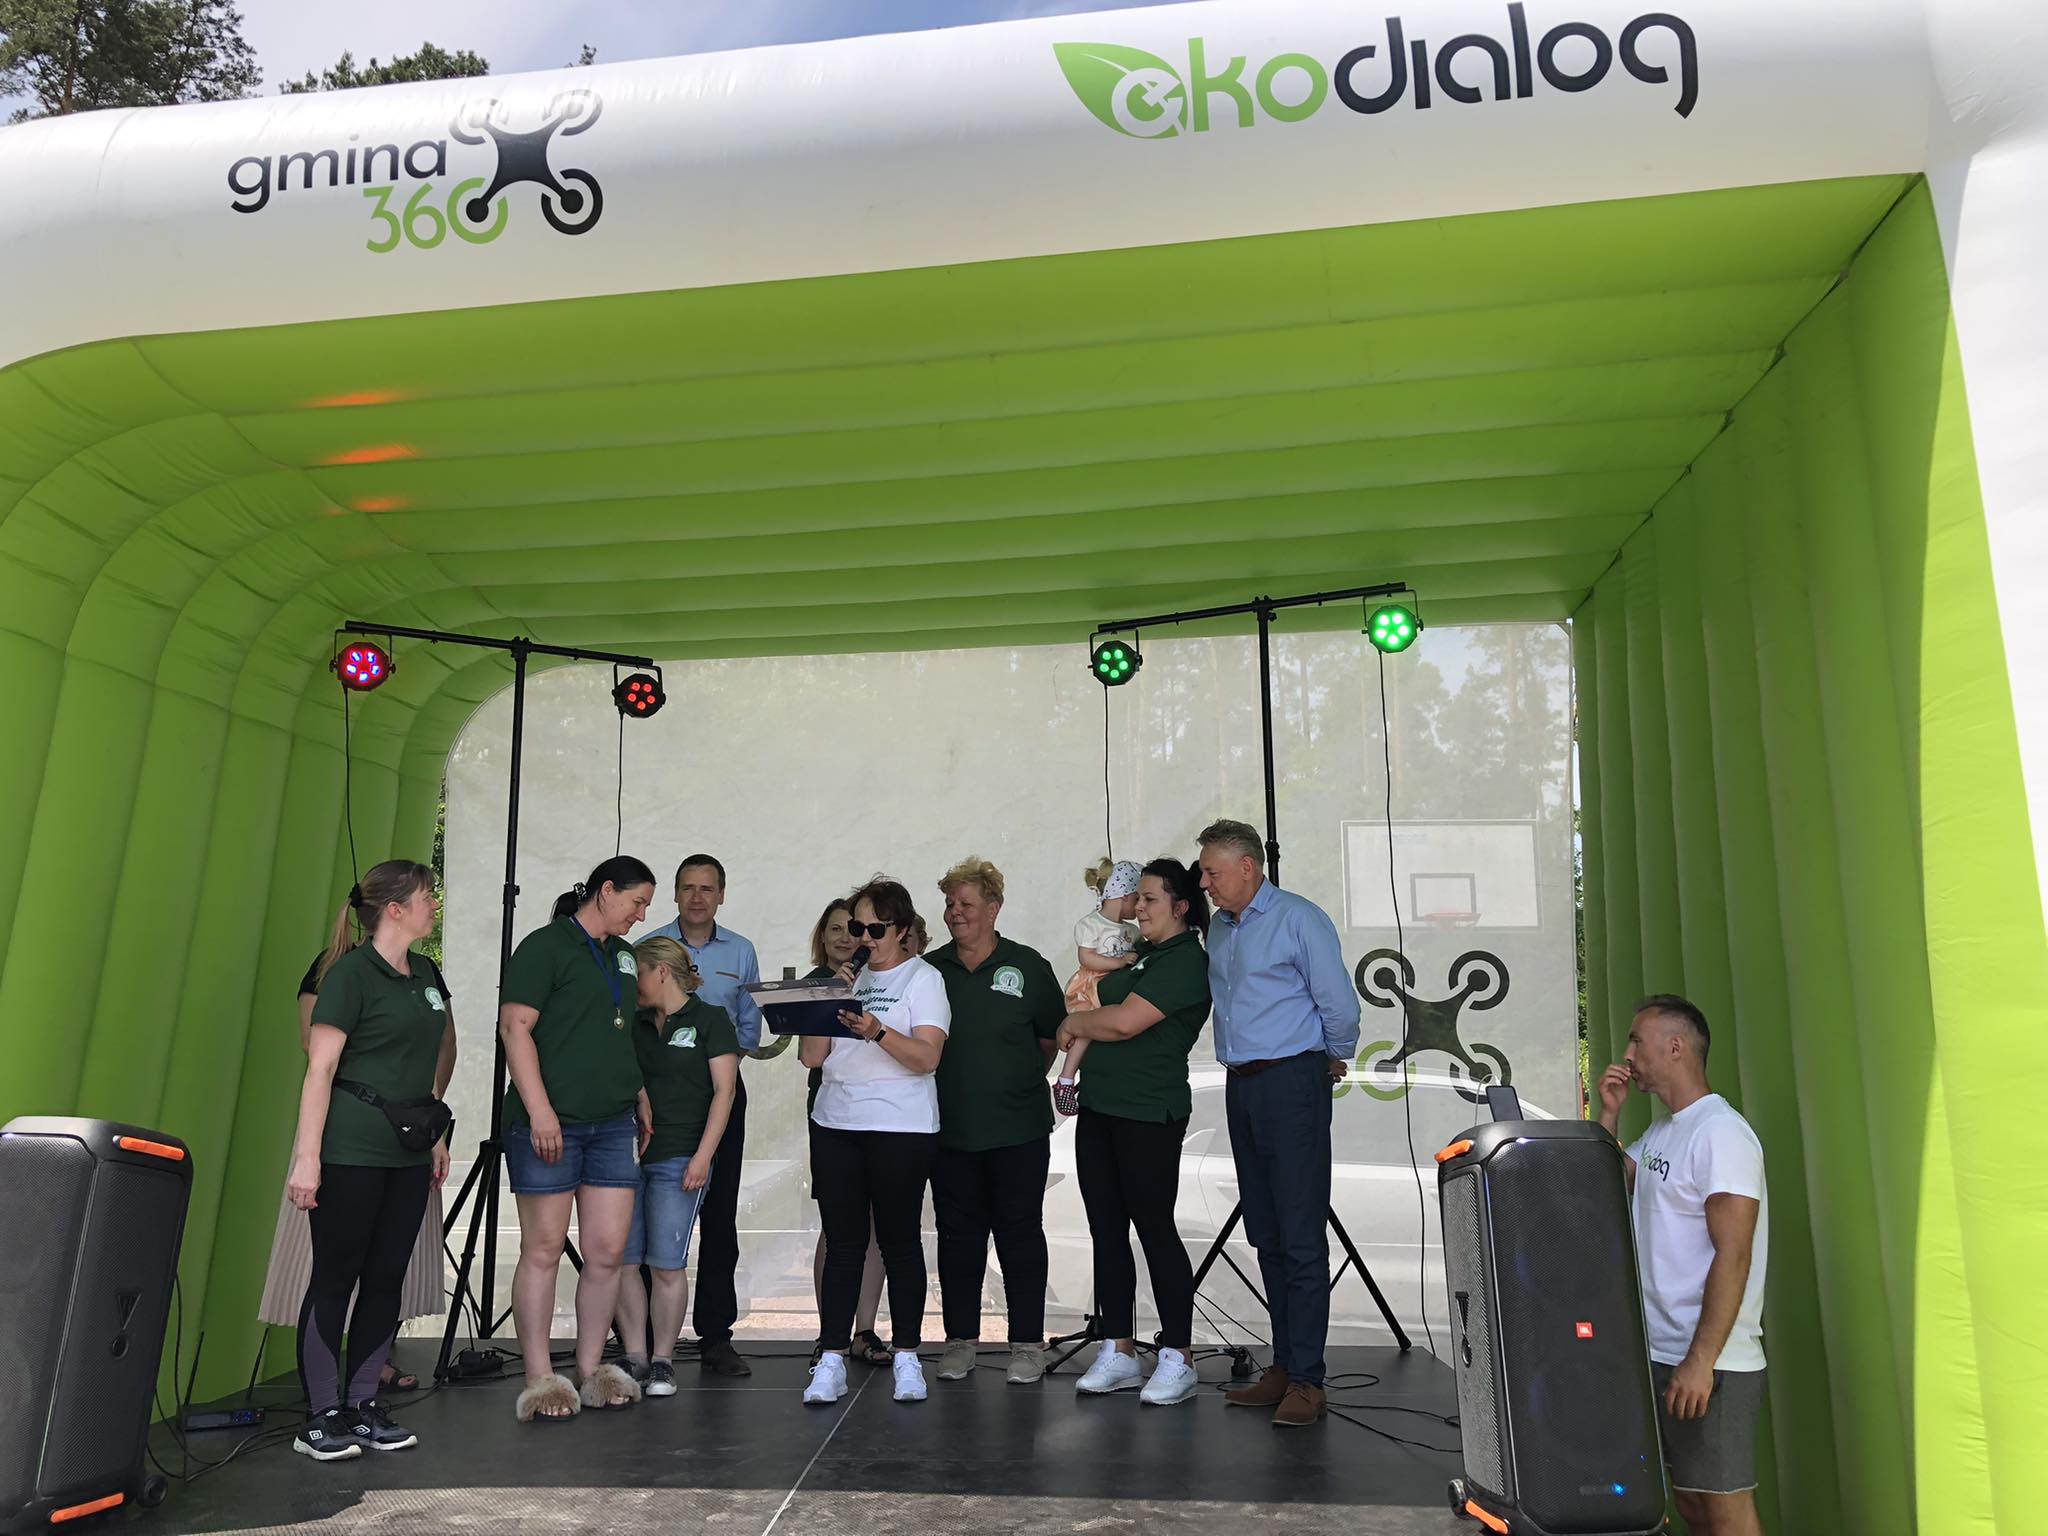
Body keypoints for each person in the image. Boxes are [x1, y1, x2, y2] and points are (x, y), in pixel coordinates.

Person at [285, 860, 452, 1461]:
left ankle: (361, 1405)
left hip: (407, 1152)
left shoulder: (425, 973)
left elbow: (423, 1060)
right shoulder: (350, 974)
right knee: (336, 1277)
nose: (434, 904)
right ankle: (320, 1416)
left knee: (387, 1277)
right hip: (351, 1148)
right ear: (395, 909)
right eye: (426, 896)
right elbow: (320, 1069)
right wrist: (308, 1159)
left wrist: (435, 1136)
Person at [1197, 818, 1360, 1428]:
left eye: (1213, 872)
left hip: (1293, 1079)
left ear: (1248, 867)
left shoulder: (1298, 918)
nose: (1205, 883)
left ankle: (1309, 1379)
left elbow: (1339, 1003)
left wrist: (1331, 1058)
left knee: (1299, 1231)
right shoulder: (1220, 927)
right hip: (1242, 1083)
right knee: (1265, 1229)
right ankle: (1285, 1365)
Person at [1597, 996, 1768, 1536]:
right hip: (1662, 1351)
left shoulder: (1721, 1133)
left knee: (1725, 1507)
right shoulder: (1665, 1131)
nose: (1628, 1054)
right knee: (1692, 1503)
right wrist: (1609, 1113)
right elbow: (1603, 1181)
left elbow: (1734, 1254)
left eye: (1637, 1041)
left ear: (1675, 1047)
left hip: (1713, 1361)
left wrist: (1701, 1361)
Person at [500, 855, 657, 1422]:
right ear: (605, 890)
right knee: (543, 1248)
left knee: (608, 1252)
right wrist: (541, 1111)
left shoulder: (623, 955)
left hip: (613, 1121)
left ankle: (592, 1369)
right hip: (551, 1122)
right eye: (637, 902)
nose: (642, 915)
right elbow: (515, 1028)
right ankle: (540, 1376)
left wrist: (638, 1090)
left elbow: (616, 1032)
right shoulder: (544, 946)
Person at [1055, 858, 1212, 1406]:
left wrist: (1075, 1023)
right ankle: (1118, 1348)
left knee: (1154, 1228)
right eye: (1137, 898)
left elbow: (1123, 1022)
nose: (1137, 908)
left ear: (1181, 906)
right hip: (1100, 1105)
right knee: (1106, 1230)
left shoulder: (1185, 960)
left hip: (1148, 1111)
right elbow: (1102, 1002)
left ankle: (1178, 1355)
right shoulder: (1138, 952)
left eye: (1149, 899)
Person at [800, 876, 950, 1406]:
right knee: (843, 1243)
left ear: (902, 930)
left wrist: (876, 1031)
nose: (862, 938)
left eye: (875, 929)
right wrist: (828, 998)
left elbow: (927, 1058)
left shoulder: (923, 979)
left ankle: (908, 1355)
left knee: (899, 1241)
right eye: (857, 927)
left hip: (900, 1127)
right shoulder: (843, 978)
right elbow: (811, 1057)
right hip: (837, 1122)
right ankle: (832, 1358)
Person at [926, 857, 1065, 1385]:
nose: (955, 913)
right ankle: (960, 1340)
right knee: (958, 1237)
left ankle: (1027, 1344)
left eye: (966, 903)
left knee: (1020, 1235)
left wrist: (1013, 1079)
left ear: (994, 908)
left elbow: (1051, 1038)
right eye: (949, 904)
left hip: (1018, 1129)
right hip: (948, 1129)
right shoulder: (930, 969)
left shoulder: (1028, 966)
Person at [640, 854, 763, 1378]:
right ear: (674, 893)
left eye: (707, 888)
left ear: (721, 896)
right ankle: (644, 1339)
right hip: (660, 1100)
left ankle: (716, 1335)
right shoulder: (647, 948)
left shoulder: (741, 950)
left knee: (719, 1217)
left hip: (719, 1095)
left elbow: (749, 1025)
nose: (697, 897)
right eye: (688, 887)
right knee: (647, 1216)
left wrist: (719, 1073)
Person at [612, 936, 739, 1397]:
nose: (634, 984)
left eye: (638, 973)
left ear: (661, 971)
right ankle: (635, 1354)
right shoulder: (634, 1022)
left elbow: (725, 1091)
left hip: (681, 1152)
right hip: (627, 1154)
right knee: (623, 1259)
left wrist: (703, 1156)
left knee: (666, 1262)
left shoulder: (710, 1019)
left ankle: (663, 1360)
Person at [803, 898, 890, 1365]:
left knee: (875, 1222)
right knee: (838, 1225)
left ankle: (865, 1329)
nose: (845, 938)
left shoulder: (882, 978)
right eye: (835, 929)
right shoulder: (816, 983)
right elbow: (809, 1056)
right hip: (831, 1111)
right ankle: (830, 1331)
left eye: (853, 929)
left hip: (883, 1114)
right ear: (822, 937)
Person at [1054, 858, 1142, 1117]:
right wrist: (1118, 963)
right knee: (1087, 1029)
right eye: (1138, 898)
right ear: (1125, 895)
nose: (1140, 906)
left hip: (1116, 988)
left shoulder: (1132, 931)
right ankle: (1066, 1078)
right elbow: (1087, 958)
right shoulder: (1091, 925)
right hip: (1091, 985)